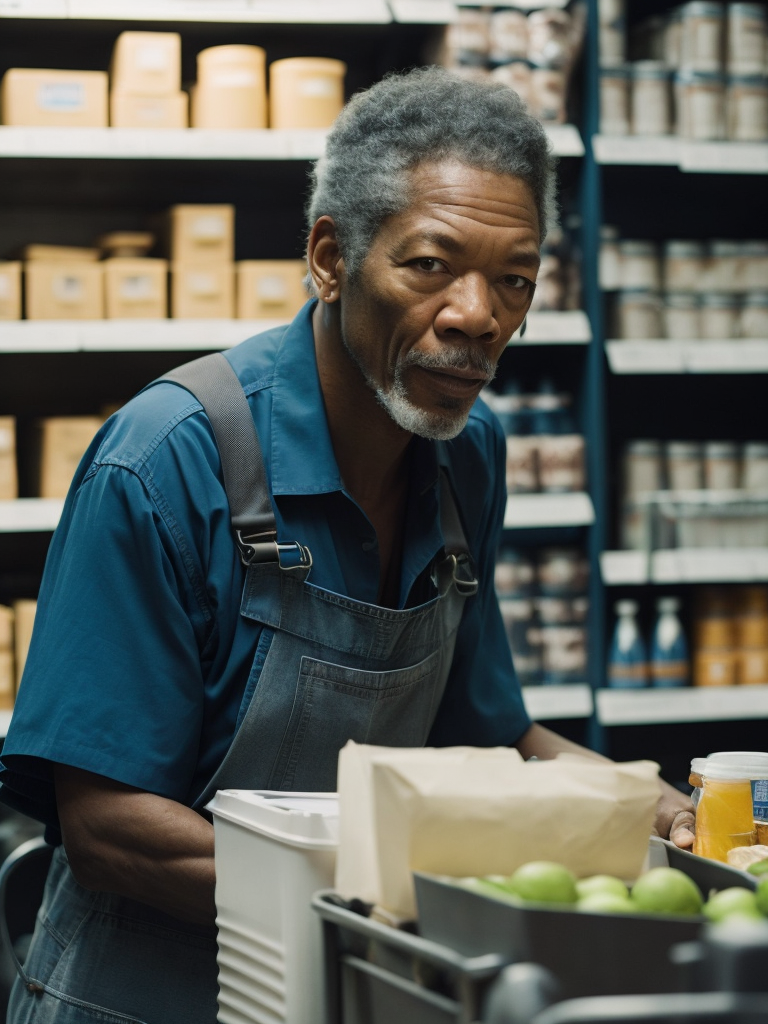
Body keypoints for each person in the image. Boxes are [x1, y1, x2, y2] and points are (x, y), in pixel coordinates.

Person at [0, 67, 695, 1024]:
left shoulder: (467, 457)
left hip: (355, 987)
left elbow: (483, 733)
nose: (478, 315)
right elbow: (109, 830)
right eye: (430, 265)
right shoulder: (167, 462)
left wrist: (648, 810)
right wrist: (391, 893)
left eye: (515, 279)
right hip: (141, 998)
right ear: (331, 257)